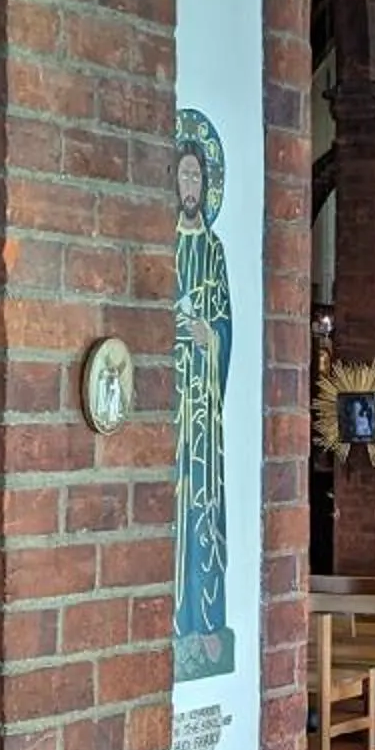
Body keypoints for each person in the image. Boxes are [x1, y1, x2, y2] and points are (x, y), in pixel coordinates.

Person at [172, 117, 235, 680]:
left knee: (202, 512)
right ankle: (170, 622)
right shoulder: (162, 247)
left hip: (203, 413)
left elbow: (226, 326)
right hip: (171, 406)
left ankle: (205, 621)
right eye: (183, 174)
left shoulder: (213, 251)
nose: (189, 185)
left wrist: (207, 336)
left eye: (196, 175)